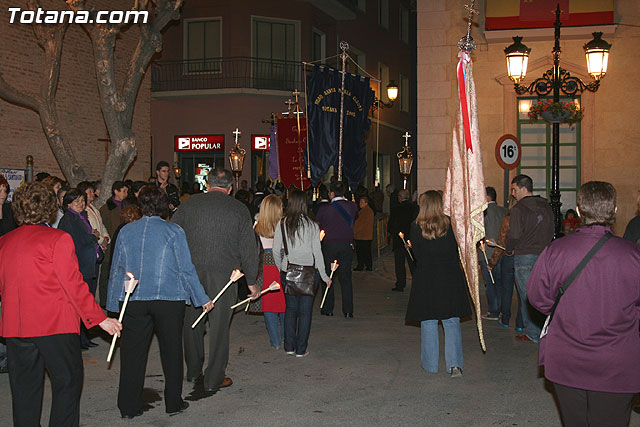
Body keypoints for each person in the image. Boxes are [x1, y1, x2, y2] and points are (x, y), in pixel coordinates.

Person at [0, 181, 121, 427]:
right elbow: (74, 285)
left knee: (24, 392)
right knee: (67, 384)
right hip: (54, 325)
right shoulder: (58, 239)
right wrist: (100, 319)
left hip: (17, 327)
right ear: (50, 208)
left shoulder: (5, 242)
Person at [527, 181, 640, 426]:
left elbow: (536, 296)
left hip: (568, 358)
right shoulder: (633, 255)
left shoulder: (556, 251)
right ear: (615, 211)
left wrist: (565, 311)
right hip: (616, 361)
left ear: (579, 210)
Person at [107, 185, 213, 418]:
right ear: (164, 205)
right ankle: (173, 403)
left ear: (140, 204)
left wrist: (113, 307)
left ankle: (128, 406)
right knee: (172, 352)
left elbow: (117, 269)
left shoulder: (126, 232)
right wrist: (202, 297)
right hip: (168, 298)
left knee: (131, 354)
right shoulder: (174, 231)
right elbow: (186, 269)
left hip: (134, 297)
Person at [172, 167, 260, 391]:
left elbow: (172, 235)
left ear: (207, 185)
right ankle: (214, 378)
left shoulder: (189, 204)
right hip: (225, 276)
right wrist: (251, 281)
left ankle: (193, 370)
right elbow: (249, 248)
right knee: (220, 328)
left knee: (191, 323)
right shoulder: (239, 209)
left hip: (191, 273)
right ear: (230, 188)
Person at [405, 191, 471, 377]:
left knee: (429, 320)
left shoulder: (416, 227)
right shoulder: (451, 225)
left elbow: (417, 257)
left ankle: (430, 364)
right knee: (451, 321)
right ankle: (455, 364)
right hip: (449, 277)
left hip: (427, 277)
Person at [273, 190, 331, 357]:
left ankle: (289, 346)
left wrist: (280, 268)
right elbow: (317, 253)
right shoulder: (313, 225)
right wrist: (325, 276)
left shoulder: (282, 223)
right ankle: (301, 348)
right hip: (308, 272)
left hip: (288, 269)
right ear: (305, 204)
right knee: (305, 312)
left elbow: (277, 251)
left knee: (290, 310)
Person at [505, 174, 554, 343]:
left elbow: (514, 234)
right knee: (543, 293)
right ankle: (544, 328)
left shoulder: (519, 208)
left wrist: (509, 249)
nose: (513, 193)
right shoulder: (546, 206)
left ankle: (532, 332)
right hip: (544, 255)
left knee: (527, 296)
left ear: (523, 188)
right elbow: (552, 229)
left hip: (524, 256)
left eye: (514, 189)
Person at [58, 188, 104, 350]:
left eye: (82, 200)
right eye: (76, 201)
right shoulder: (69, 219)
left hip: (88, 264)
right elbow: (80, 240)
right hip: (79, 266)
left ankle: (85, 337)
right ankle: (78, 339)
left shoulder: (82, 216)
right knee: (79, 304)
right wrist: (94, 236)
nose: (80, 203)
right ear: (68, 204)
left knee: (88, 301)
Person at [316, 181, 357, 317]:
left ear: (331, 193)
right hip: (346, 245)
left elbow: (318, 224)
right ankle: (348, 310)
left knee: (328, 276)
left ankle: (328, 308)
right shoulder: (352, 206)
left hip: (329, 245)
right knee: (346, 278)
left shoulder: (324, 209)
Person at [487, 195, 524, 332]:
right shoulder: (525, 220)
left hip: (508, 257)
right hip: (522, 257)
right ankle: (520, 323)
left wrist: (492, 262)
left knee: (506, 289)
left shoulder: (507, 220)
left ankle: (505, 319)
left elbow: (501, 243)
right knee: (521, 292)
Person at [254, 194, 286, 349]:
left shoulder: (257, 226)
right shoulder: (285, 225)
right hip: (283, 264)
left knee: (269, 304)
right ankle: (287, 336)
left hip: (265, 267)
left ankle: (275, 341)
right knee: (285, 302)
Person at [98, 180, 128, 306]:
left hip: (123, 244)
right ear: (116, 191)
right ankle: (104, 302)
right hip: (110, 246)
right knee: (106, 274)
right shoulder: (106, 209)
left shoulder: (125, 206)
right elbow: (103, 225)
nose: (126, 194)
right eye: (124, 191)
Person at [479, 186, 507, 320]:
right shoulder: (503, 211)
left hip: (488, 252)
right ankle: (501, 308)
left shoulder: (485, 212)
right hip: (501, 251)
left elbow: (488, 234)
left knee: (491, 283)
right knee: (500, 282)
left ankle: (494, 310)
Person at [0, 175, 17, 374]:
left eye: (5, 191)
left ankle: (5, 355)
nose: (3, 195)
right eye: (0, 191)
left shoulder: (8, 211)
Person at [388, 189, 417, 292]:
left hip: (399, 239)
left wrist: (391, 233)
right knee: (412, 262)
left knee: (400, 263)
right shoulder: (413, 208)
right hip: (410, 238)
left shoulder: (396, 208)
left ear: (400, 197)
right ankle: (416, 284)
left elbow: (391, 223)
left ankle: (400, 284)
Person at [77, 181, 109, 252]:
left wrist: (106, 237)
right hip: (91, 246)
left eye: (93, 191)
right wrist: (101, 240)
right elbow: (88, 228)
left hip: (101, 246)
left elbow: (101, 224)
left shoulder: (94, 208)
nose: (93, 193)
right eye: (90, 191)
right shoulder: (81, 210)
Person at [353, 195, 374, 271]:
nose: (360, 203)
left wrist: (354, 231)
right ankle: (365, 266)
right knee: (364, 252)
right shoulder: (364, 211)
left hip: (363, 235)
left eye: (362, 202)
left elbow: (360, 224)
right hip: (364, 235)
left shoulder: (366, 212)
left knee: (363, 252)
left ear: (366, 203)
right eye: (360, 202)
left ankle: (364, 266)